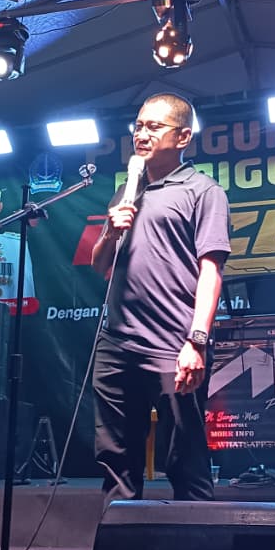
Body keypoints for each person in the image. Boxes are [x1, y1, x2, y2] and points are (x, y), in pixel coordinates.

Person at [91, 93, 231, 501]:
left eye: (154, 126)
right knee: (116, 461)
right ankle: (118, 538)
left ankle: (196, 540)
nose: (142, 134)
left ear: (183, 137)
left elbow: (211, 271)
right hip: (117, 344)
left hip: (174, 344)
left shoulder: (203, 191)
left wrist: (197, 341)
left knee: (185, 460)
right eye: (138, 126)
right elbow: (100, 265)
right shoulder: (126, 190)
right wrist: (110, 231)